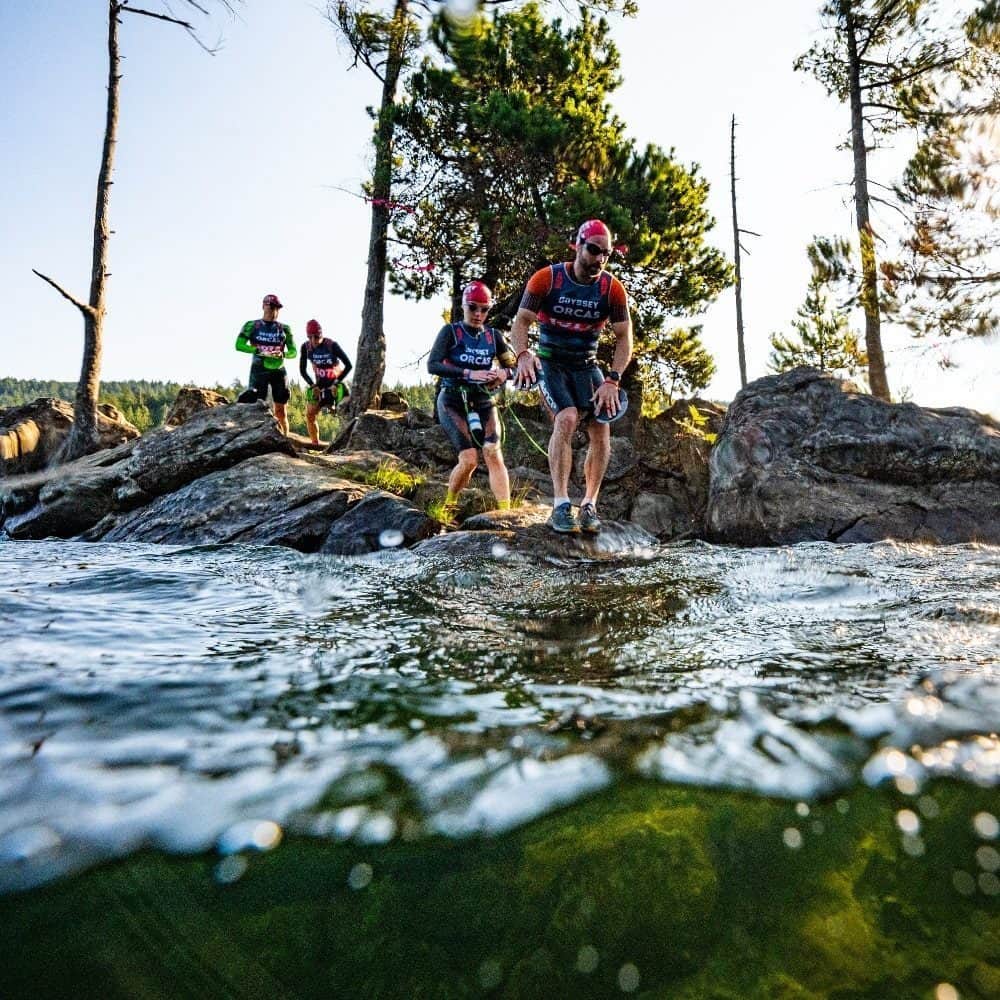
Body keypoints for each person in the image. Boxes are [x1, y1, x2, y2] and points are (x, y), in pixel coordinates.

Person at [511, 219, 633, 534]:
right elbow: (521, 321)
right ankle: (561, 504)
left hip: (586, 365)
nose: (599, 259)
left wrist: (612, 379)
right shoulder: (547, 279)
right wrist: (523, 355)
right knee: (566, 419)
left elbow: (624, 338)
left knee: (601, 428)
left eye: (606, 254)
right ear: (577, 246)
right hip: (551, 363)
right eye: (593, 250)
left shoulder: (611, 288)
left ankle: (589, 504)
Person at [427, 280, 517, 514]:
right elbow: (433, 365)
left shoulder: (493, 336)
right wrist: (468, 373)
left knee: (492, 452)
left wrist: (502, 373)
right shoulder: (451, 332)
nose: (478, 314)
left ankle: (505, 515)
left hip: (483, 400)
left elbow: (515, 367)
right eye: (473, 307)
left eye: (484, 309)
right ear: (464, 306)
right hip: (452, 399)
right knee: (469, 460)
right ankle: (449, 506)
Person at [235, 293, 297, 435]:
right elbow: (238, 345)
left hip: (279, 370)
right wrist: (256, 349)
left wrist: (283, 354)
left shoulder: (284, 328)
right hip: (259, 370)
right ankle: (253, 437)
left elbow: (294, 351)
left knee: (281, 410)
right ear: (263, 306)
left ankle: (285, 439)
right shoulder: (252, 325)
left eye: (277, 308)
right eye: (271, 307)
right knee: (256, 407)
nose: (274, 311)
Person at [299, 318, 352, 445]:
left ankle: (346, 443)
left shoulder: (331, 345)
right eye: (310, 337)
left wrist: (336, 383)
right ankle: (315, 443)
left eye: (316, 337)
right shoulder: (305, 347)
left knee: (346, 413)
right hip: (319, 385)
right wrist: (312, 385)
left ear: (321, 334)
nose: (313, 341)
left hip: (336, 384)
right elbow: (302, 370)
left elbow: (348, 365)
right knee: (310, 413)